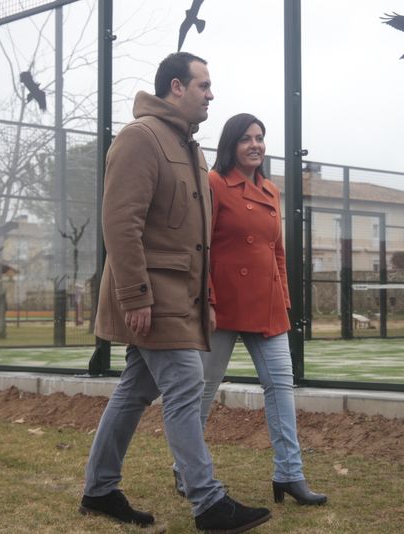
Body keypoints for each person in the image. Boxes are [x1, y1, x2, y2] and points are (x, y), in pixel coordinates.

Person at [80, 53, 271, 533]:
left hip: (180, 296)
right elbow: (120, 223)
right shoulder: (139, 139)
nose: (211, 94)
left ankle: (100, 489)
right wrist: (136, 294)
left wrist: (205, 297)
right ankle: (208, 503)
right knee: (186, 385)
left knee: (135, 389)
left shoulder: (189, 146)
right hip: (152, 294)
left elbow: (197, 235)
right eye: (204, 85)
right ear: (176, 87)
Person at [175, 113, 327, 506]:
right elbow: (200, 247)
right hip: (222, 305)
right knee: (203, 391)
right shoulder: (213, 184)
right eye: (246, 139)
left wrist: (285, 299)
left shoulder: (272, 191)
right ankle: (186, 470)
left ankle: (290, 474)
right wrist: (206, 297)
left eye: (260, 138)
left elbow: (277, 250)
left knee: (281, 388)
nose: (255, 144)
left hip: (268, 306)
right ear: (232, 145)